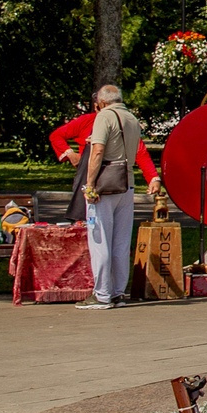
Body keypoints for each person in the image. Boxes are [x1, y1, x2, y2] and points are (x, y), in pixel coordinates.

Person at [76, 85, 144, 311]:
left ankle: (102, 294)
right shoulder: (131, 118)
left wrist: (90, 184)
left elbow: (98, 152)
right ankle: (118, 292)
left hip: (106, 185)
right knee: (121, 241)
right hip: (127, 183)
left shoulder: (104, 116)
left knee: (100, 239)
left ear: (101, 103)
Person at [50, 101, 156, 223]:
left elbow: (140, 151)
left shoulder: (122, 123)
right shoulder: (87, 121)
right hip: (87, 175)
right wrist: (70, 154)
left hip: (114, 178)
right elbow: (56, 136)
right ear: (97, 106)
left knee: (111, 223)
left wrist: (153, 177)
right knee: (86, 220)